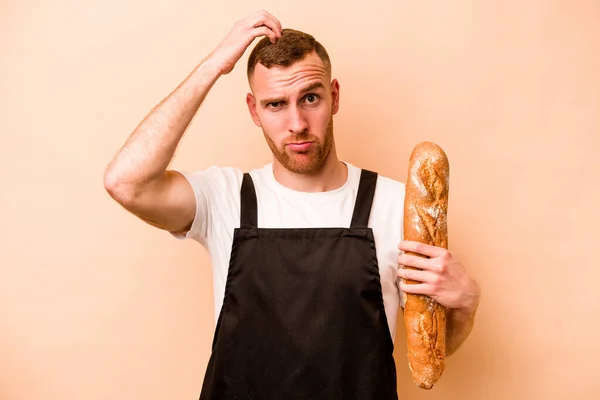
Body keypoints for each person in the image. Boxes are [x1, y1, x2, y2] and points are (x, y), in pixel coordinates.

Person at [104, 10, 480, 399]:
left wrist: (465, 302)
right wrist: (215, 65)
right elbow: (125, 183)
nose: (297, 122)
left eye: (310, 98)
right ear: (254, 110)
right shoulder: (225, 198)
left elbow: (433, 353)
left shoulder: (394, 204)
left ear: (333, 97)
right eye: (275, 105)